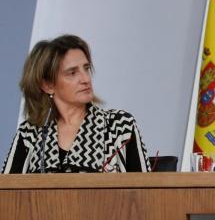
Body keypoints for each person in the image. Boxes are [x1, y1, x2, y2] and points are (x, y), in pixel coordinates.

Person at [2, 34, 150, 173]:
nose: (85, 78)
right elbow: (5, 192)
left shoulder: (119, 125)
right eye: (72, 73)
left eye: (86, 68)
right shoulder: (30, 133)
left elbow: (147, 192)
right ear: (48, 85)